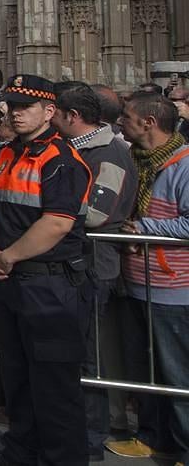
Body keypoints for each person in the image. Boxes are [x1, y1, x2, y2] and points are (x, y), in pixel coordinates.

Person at [0, 74, 94, 466]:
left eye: (25, 106)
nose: (15, 113)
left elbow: (57, 222)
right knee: (18, 377)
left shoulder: (60, 158)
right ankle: (20, 452)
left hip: (50, 285)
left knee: (54, 387)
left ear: (49, 111)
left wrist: (9, 256)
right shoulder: (9, 152)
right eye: (12, 105)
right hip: (11, 283)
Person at [48, 81, 137, 459]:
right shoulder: (77, 149)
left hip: (95, 266)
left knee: (88, 355)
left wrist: (50, 209)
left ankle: (89, 437)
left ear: (72, 116)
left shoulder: (110, 153)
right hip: (76, 261)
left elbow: (99, 213)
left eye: (56, 113)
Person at [105, 93, 189, 461]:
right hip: (138, 281)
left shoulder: (183, 166)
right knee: (146, 371)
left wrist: (143, 227)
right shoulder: (138, 161)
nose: (121, 121)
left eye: (127, 116)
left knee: (177, 376)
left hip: (172, 288)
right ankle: (154, 438)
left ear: (149, 123)